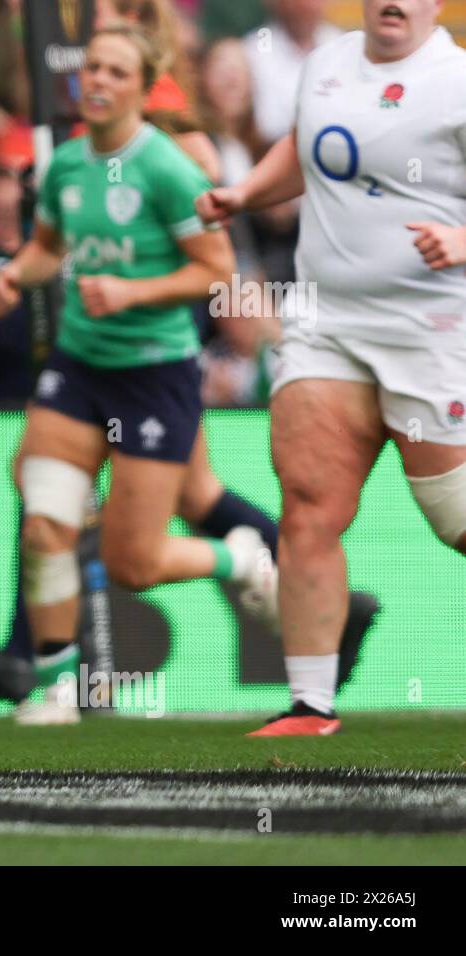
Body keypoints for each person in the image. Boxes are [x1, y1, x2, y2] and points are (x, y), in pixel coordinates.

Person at [0, 25, 281, 725]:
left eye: (116, 72)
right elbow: (47, 248)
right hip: (79, 366)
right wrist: (11, 275)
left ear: (140, 88)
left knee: (134, 563)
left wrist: (133, 292)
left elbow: (216, 270)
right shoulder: (67, 164)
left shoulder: (167, 168)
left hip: (154, 375)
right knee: (44, 523)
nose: (96, 81)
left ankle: (239, 560)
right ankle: (60, 685)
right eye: (91, 67)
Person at [197, 0, 466, 736]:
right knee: (310, 505)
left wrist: (460, 238)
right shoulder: (327, 64)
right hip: (327, 323)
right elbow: (304, 148)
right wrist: (247, 191)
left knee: (457, 519)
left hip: (431, 331)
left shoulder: (457, 81)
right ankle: (311, 705)